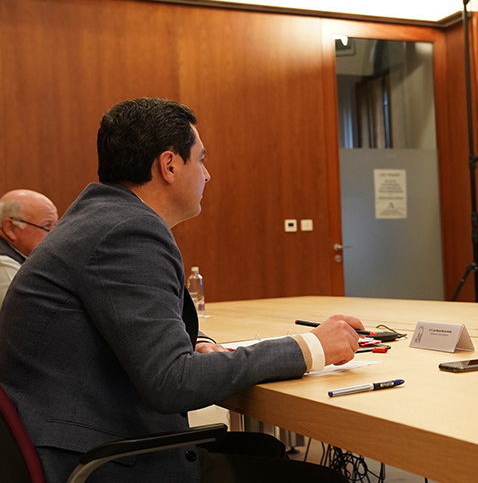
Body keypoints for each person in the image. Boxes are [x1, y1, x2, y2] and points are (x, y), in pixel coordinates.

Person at [0, 98, 358, 483]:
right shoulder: (126, 233)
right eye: (201, 160)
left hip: (79, 436)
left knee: (265, 450)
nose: (207, 175)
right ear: (169, 165)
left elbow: (127, 330)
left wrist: (195, 342)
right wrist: (311, 347)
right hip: (94, 462)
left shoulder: (100, 217)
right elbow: (172, 382)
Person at [0, 189, 58, 304]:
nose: (55, 234)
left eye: (56, 225)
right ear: (10, 228)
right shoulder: (3, 264)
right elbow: (29, 315)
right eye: (47, 226)